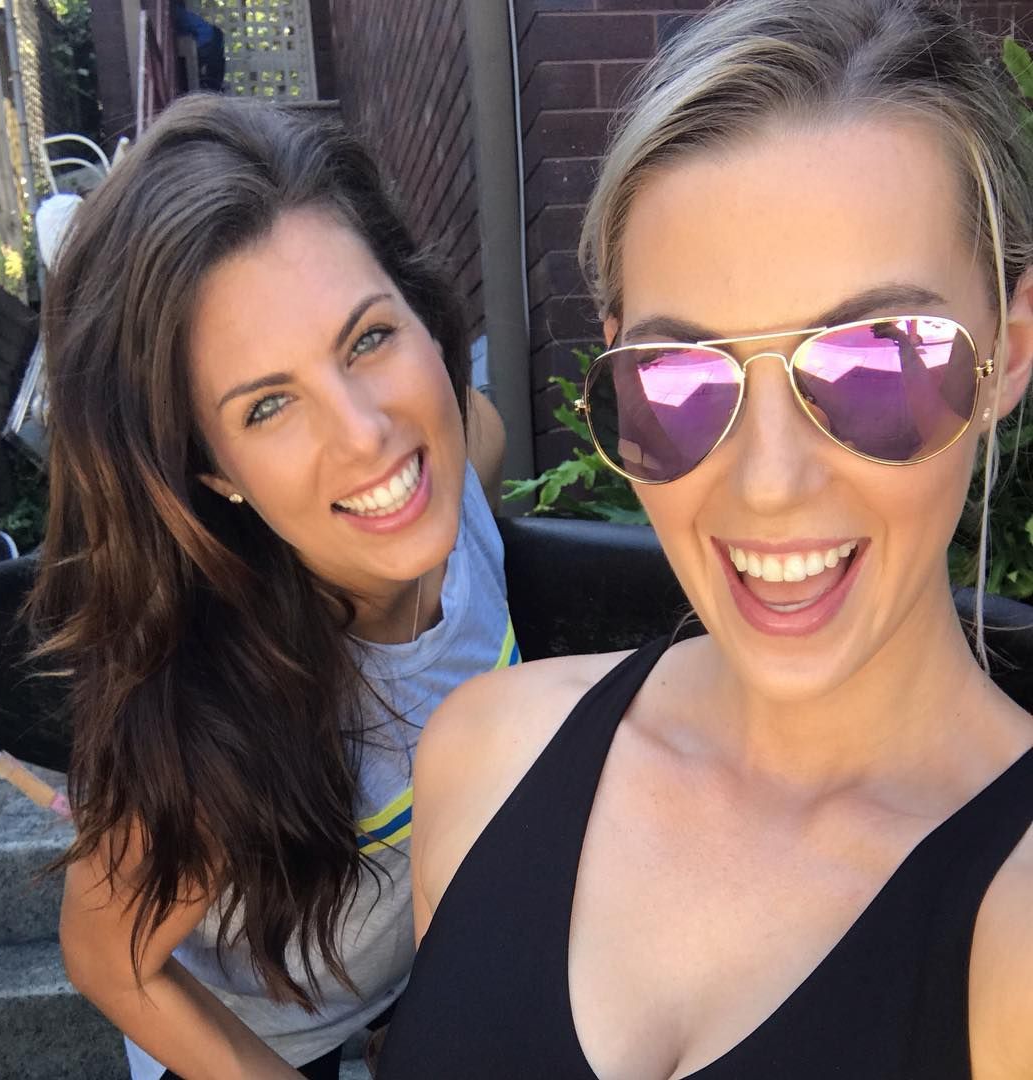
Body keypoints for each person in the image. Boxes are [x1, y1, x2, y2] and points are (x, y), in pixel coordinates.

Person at [377, 2, 1033, 1077]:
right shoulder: (486, 758)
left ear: (1008, 350)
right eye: (680, 377)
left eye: (879, 363)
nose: (768, 484)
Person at [28, 94, 511, 1080]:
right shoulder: (207, 713)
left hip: (391, 980)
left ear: (424, 317)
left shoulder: (463, 459)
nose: (367, 435)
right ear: (214, 473)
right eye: (268, 406)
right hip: (253, 1038)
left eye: (369, 339)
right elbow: (107, 959)